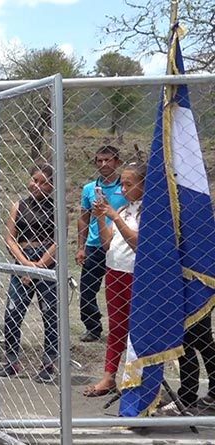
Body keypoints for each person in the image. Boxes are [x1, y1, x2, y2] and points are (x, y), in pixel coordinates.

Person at [83, 162, 144, 397]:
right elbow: (107, 243)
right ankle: (109, 376)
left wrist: (115, 217)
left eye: (129, 184)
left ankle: (135, 378)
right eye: (123, 185)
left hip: (135, 275)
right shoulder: (125, 209)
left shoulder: (149, 210)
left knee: (135, 327)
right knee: (116, 325)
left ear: (143, 185)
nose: (124, 189)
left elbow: (138, 243)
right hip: (115, 271)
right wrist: (101, 217)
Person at [0, 164, 58, 383]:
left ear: (52, 186)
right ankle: (12, 359)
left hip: (47, 260)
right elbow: (10, 238)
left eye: (44, 182)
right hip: (23, 257)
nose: (38, 185)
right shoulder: (19, 205)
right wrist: (25, 265)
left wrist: (40, 266)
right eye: (35, 180)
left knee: (50, 314)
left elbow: (59, 240)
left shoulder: (56, 207)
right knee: (12, 313)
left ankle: (49, 362)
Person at [75, 145, 127, 343]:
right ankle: (92, 327)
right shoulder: (90, 189)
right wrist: (81, 247)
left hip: (120, 245)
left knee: (122, 289)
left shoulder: (125, 186)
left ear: (117, 162)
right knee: (87, 290)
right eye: (99, 160)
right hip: (95, 246)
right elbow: (83, 218)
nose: (104, 164)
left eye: (108, 160)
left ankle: (125, 328)